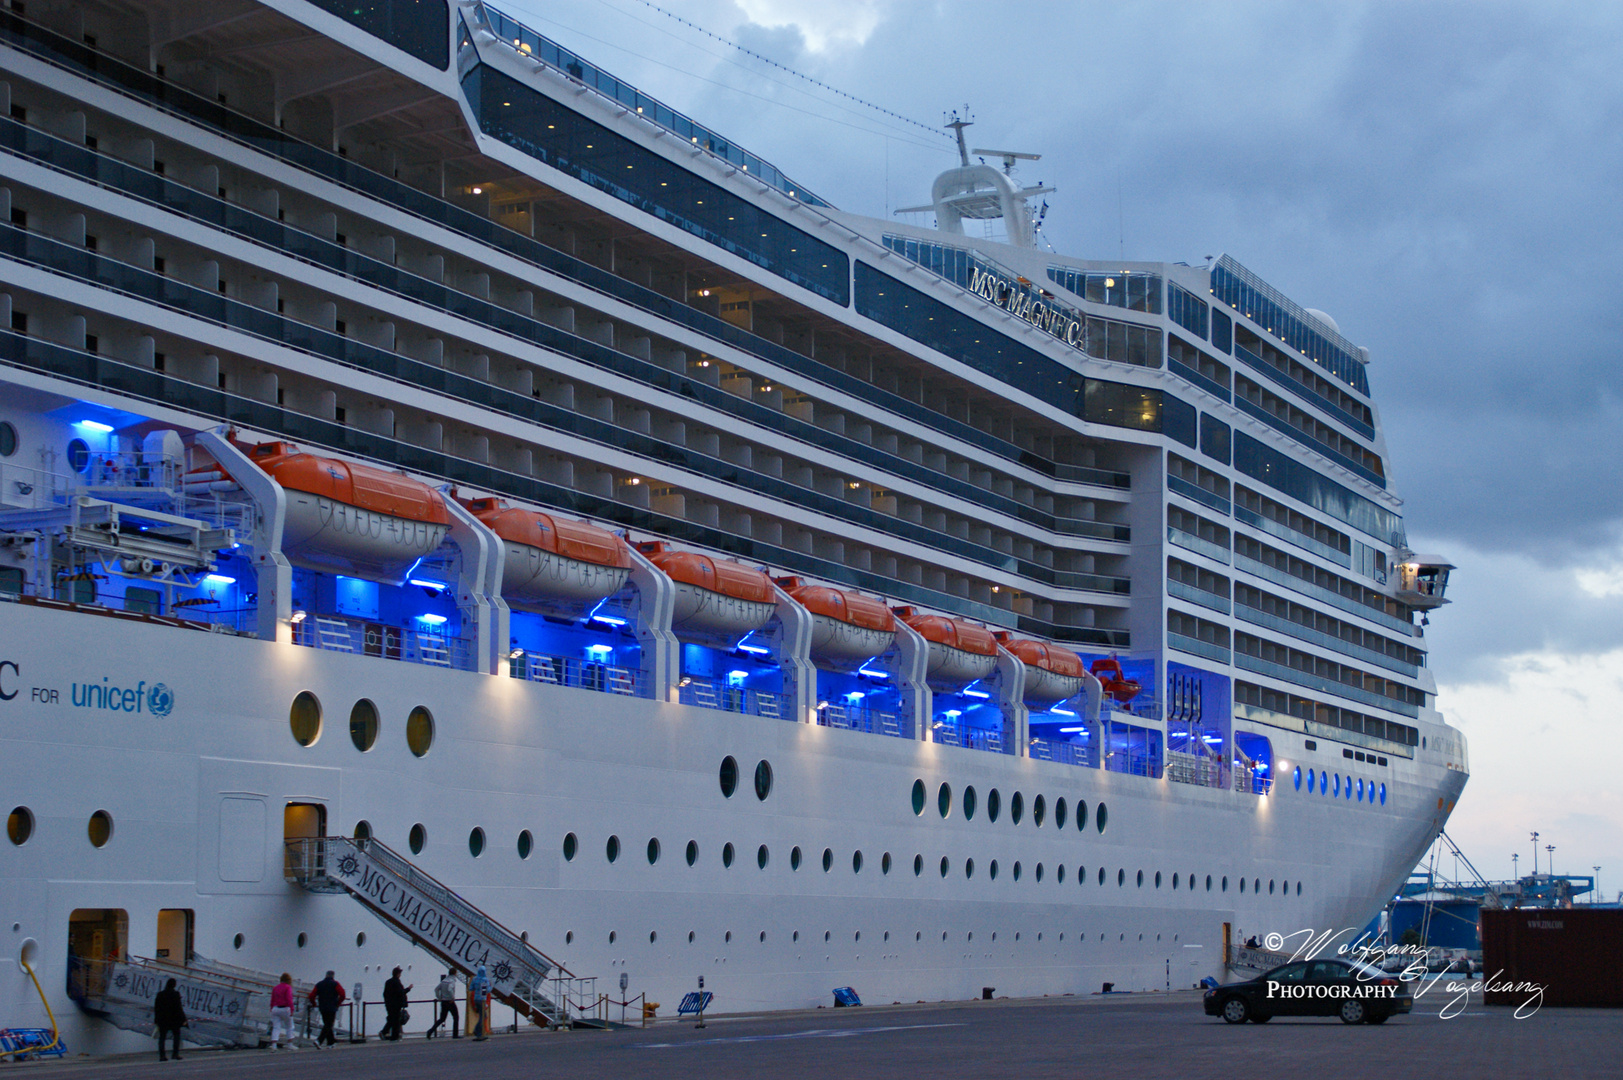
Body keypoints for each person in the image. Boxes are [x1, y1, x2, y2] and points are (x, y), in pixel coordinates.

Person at [308, 970, 346, 1048]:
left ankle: (330, 1043)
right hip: (332, 1007)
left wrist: (314, 1004)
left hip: (322, 1007)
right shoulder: (335, 984)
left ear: (326, 975)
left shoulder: (319, 984)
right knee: (329, 1025)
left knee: (327, 1024)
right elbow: (342, 994)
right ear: (333, 976)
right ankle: (319, 1041)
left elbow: (311, 996)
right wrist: (338, 1003)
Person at [153, 977, 186, 1062]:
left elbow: (157, 1008)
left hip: (163, 1019)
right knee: (176, 1037)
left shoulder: (160, 994)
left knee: (162, 1038)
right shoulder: (176, 994)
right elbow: (179, 1008)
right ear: (174, 985)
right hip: (174, 1019)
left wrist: (156, 1020)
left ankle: (162, 1055)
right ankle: (175, 1054)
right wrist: (183, 1019)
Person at [427, 971, 460, 1039]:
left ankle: (430, 1031)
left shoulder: (444, 981)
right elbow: (449, 989)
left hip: (443, 1002)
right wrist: (452, 997)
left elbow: (436, 989)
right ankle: (455, 1034)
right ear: (454, 973)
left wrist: (439, 997)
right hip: (450, 1002)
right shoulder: (452, 981)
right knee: (456, 1017)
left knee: (442, 1019)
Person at [381, 967, 411, 1041]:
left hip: (389, 1004)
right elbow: (400, 992)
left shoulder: (388, 982)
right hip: (396, 1004)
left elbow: (385, 994)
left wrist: (387, 1002)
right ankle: (394, 1036)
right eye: (400, 973)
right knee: (396, 1020)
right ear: (397, 974)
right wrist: (408, 989)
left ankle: (385, 1032)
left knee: (392, 1019)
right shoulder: (396, 982)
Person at [269, 972, 296, 1050]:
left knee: (276, 1027)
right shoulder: (288, 987)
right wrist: (292, 1009)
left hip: (275, 1009)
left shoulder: (275, 988)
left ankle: (274, 1045)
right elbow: (289, 999)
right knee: (290, 1026)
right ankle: (290, 1044)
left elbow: (272, 1000)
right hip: (285, 1009)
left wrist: (271, 1008)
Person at [469, 964, 491, 1041]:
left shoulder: (475, 979)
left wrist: (477, 988)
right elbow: (488, 990)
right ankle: (478, 1031)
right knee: (483, 1016)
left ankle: (479, 1032)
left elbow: (471, 988)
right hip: (482, 999)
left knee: (482, 1015)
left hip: (476, 999)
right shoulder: (485, 980)